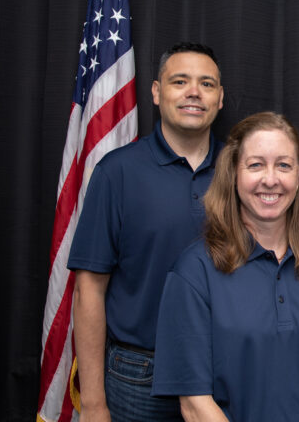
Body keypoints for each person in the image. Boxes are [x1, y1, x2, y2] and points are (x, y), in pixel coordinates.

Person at [152, 112, 299, 421]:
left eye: (284, 165)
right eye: (255, 165)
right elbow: (195, 404)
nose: (271, 179)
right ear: (233, 174)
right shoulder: (194, 270)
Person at [68, 42, 225, 421]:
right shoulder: (117, 172)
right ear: (156, 92)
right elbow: (89, 288)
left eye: (206, 84)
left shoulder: (243, 171)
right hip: (137, 374)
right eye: (180, 81)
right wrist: (92, 403)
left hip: (225, 368)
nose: (193, 92)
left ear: (220, 99)